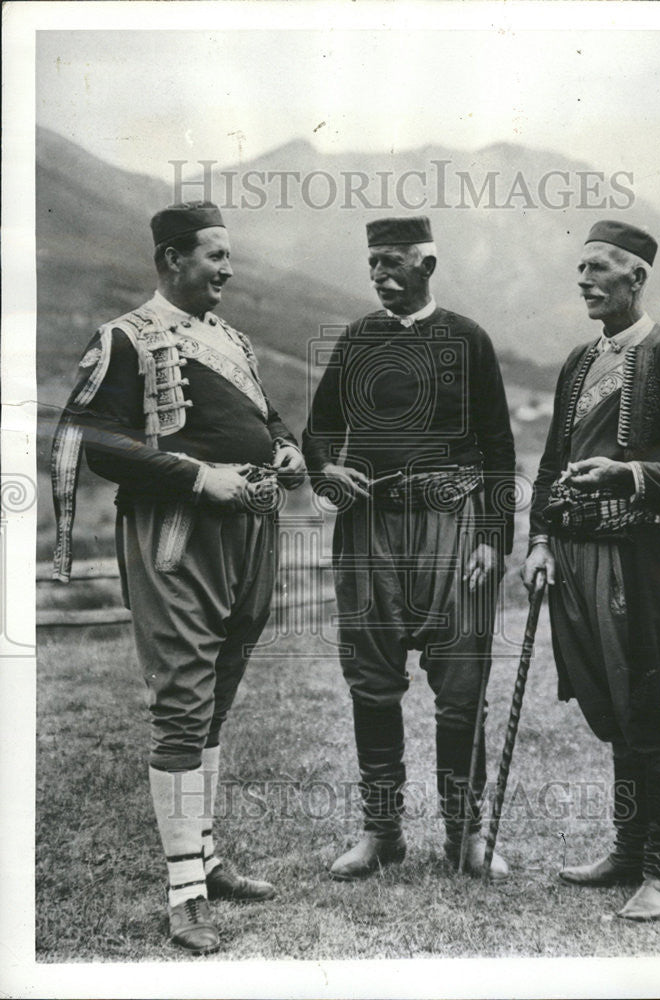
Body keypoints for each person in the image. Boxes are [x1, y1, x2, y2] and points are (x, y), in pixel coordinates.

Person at [50, 201, 306, 955]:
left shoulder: (230, 338)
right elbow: (96, 441)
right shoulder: (126, 339)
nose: (227, 269)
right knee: (183, 700)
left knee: (218, 697)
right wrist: (200, 478)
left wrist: (285, 451)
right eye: (214, 256)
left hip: (251, 533)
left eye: (229, 257)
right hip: (178, 535)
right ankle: (184, 891)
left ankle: (205, 857)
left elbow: (269, 418)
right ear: (171, 260)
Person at [521, 220, 660, 921]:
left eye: (599, 268)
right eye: (579, 268)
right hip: (577, 559)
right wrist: (537, 541)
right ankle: (627, 848)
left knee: (655, 712)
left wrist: (634, 473)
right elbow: (553, 464)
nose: (584, 280)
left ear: (636, 277)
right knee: (615, 713)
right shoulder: (578, 363)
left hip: (643, 561)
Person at [302, 216, 516, 881]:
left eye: (392, 262)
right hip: (371, 531)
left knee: (461, 690)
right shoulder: (358, 340)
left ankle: (466, 835)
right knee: (372, 684)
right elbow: (316, 432)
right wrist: (323, 472)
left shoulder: (468, 338)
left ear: (427, 264)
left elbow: (500, 448)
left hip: (453, 528)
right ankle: (381, 832)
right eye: (371, 263)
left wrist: (492, 540)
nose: (378, 274)